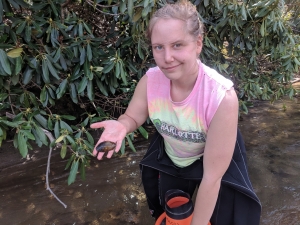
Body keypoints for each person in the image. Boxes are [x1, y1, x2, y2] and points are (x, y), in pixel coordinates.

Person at [91, 0, 261, 224]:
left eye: (177, 45)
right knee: (171, 210)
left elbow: (212, 178)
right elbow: (133, 116)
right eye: (158, 47)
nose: (167, 57)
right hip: (174, 155)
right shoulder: (151, 80)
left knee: (225, 217)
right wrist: (122, 125)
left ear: (198, 43)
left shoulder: (221, 97)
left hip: (211, 159)